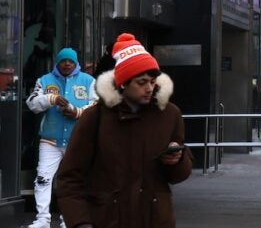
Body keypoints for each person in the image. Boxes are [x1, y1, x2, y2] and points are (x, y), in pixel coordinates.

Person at [55, 34, 192, 228]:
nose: (149, 88)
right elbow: (69, 177)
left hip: (155, 219)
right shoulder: (96, 117)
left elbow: (179, 175)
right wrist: (80, 222)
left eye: (152, 82)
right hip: (107, 219)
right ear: (123, 83)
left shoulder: (170, 114)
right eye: (141, 82)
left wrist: (177, 159)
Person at [25, 47, 96, 228]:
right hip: (50, 139)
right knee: (43, 178)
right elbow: (32, 104)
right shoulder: (45, 80)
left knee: (72, 182)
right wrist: (51, 99)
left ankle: (69, 219)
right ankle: (42, 219)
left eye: (70, 61)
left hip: (76, 140)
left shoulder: (89, 81)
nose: (66, 64)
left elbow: (97, 106)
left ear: (76, 63)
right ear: (58, 62)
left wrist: (77, 112)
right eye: (63, 61)